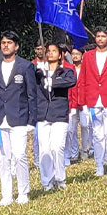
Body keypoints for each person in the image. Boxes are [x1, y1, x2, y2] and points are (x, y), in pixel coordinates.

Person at [0, 30, 38, 206]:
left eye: (9, 43)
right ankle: (6, 195)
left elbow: (32, 95)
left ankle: (23, 192)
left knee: (19, 155)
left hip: (20, 118)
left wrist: (32, 120)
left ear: (16, 46)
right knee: (3, 158)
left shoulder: (25, 67)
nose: (5, 46)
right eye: (3, 43)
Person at [77, 26, 107, 177]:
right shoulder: (88, 56)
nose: (100, 39)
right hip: (93, 101)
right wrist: (83, 102)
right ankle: (99, 164)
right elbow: (82, 79)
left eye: (103, 36)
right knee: (97, 135)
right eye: (98, 36)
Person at [35, 41, 77, 191]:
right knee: (44, 150)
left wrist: (52, 81)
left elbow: (71, 81)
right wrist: (41, 72)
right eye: (48, 51)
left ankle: (60, 178)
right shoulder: (39, 72)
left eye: (54, 51)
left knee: (57, 147)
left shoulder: (65, 71)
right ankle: (47, 181)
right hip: (43, 114)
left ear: (60, 55)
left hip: (59, 114)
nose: (50, 53)